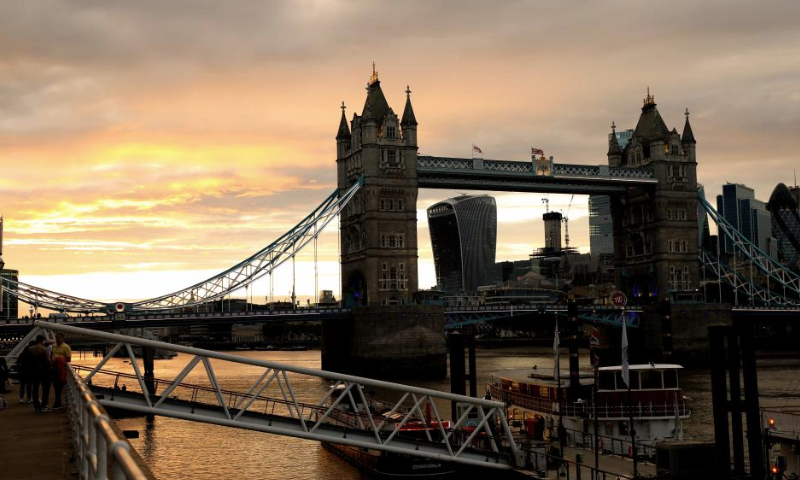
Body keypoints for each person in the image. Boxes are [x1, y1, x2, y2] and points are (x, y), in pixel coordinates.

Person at [29, 335, 51, 412]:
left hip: (34, 371)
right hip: (44, 371)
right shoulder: (44, 350)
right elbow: (48, 360)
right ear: (42, 341)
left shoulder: (30, 349)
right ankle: (44, 405)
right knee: (45, 388)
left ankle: (36, 406)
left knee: (35, 388)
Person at [50, 332, 71, 410]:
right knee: (56, 386)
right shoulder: (54, 346)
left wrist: (60, 360)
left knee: (59, 386)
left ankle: (57, 403)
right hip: (54, 368)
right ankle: (57, 402)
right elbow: (51, 355)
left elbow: (68, 359)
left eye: (59, 337)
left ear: (62, 338)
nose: (57, 339)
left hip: (61, 369)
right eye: (56, 337)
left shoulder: (66, 347)